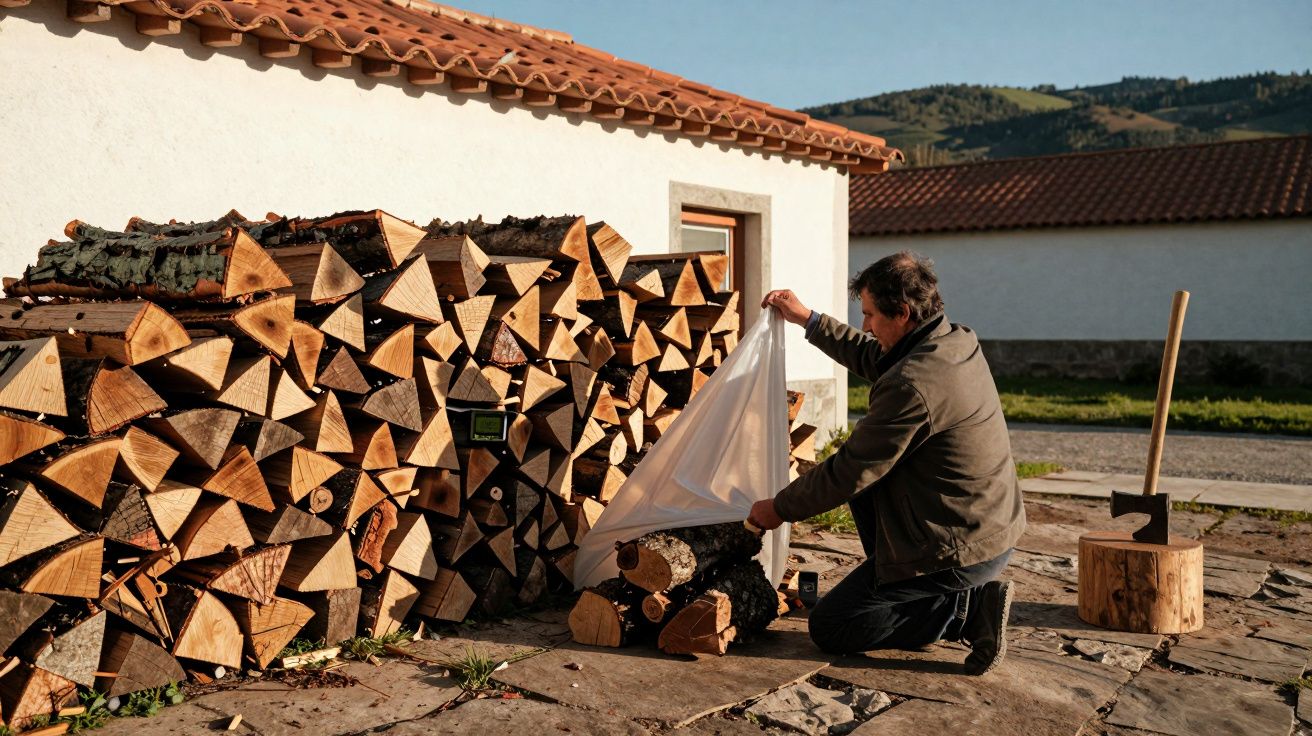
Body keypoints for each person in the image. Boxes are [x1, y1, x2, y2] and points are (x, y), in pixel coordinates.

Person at [747, 251, 1025, 676]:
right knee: (871, 485)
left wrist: (778, 508)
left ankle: (966, 610)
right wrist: (810, 320)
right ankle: (925, 592)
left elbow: (851, 470)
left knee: (833, 626)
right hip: (988, 527)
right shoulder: (951, 341)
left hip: (964, 548)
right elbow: (873, 354)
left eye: (870, 314)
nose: (865, 325)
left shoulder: (914, 384)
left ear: (903, 313)